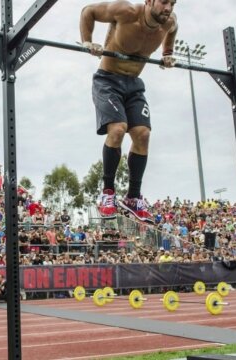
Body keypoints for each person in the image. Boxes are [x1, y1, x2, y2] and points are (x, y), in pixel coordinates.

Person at [80, 0, 178, 221]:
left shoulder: (168, 22)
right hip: (107, 81)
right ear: (149, 1)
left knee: (143, 134)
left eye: (173, 3)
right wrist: (88, 42)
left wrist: (167, 52)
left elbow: (173, 29)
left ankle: (133, 197)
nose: (168, 8)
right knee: (118, 130)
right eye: (164, 2)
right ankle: (108, 193)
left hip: (133, 83)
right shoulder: (125, 11)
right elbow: (88, 11)